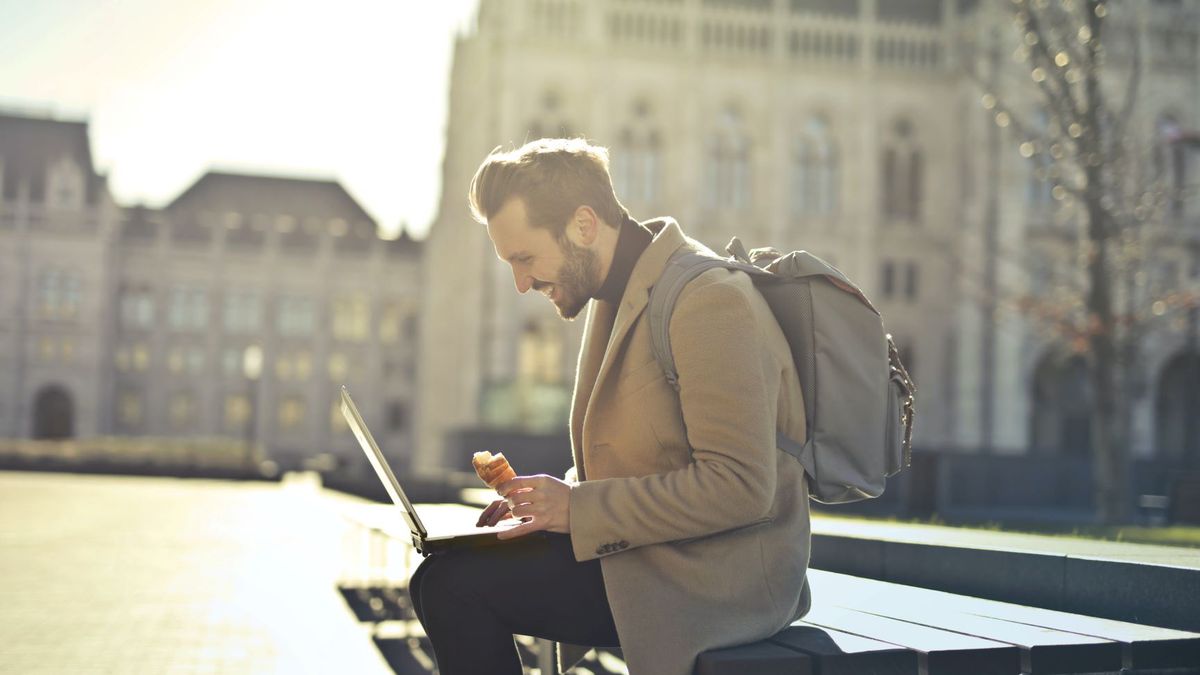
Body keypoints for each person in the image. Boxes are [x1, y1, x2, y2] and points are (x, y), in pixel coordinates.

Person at [408, 137, 812, 675]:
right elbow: (645, 457)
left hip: (721, 582)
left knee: (452, 586)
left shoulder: (709, 299)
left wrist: (576, 510)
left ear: (583, 225)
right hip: (654, 556)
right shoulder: (616, 296)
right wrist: (549, 505)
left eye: (525, 258)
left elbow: (741, 486)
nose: (521, 284)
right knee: (446, 569)